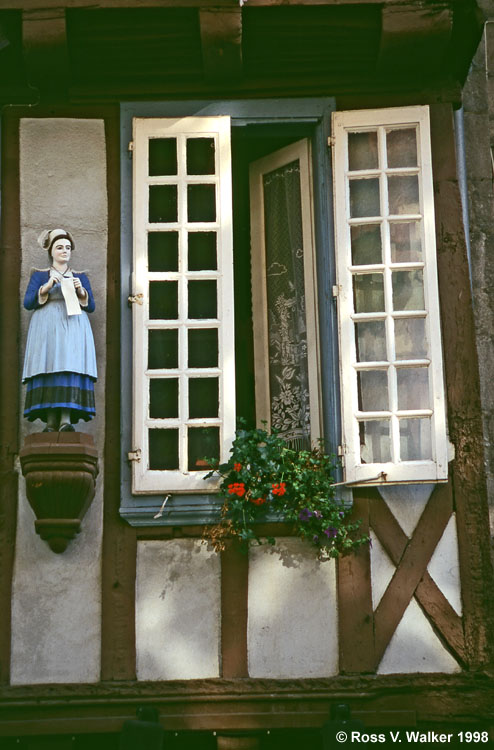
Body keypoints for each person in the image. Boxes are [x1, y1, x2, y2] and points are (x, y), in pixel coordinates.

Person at [22, 228, 97, 432]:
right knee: (48, 366)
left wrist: (81, 290)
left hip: (73, 327)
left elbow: (91, 306)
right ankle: (50, 421)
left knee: (69, 366)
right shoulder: (39, 275)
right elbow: (28, 303)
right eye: (59, 247)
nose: (64, 251)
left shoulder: (80, 276)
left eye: (67, 248)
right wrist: (46, 287)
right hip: (46, 328)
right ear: (51, 252)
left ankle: (66, 419)